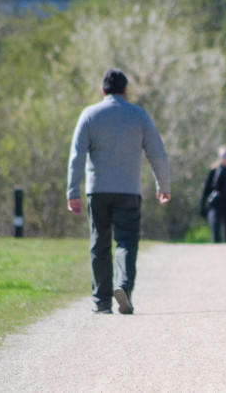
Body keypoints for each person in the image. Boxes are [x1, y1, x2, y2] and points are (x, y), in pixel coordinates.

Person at [67, 68, 171, 315]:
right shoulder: (139, 116)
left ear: (102, 91)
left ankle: (102, 302)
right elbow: (157, 152)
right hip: (128, 191)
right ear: (126, 91)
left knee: (99, 243)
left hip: (98, 190)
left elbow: (77, 156)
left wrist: (73, 191)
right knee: (126, 241)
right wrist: (164, 186)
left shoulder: (89, 115)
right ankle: (123, 287)